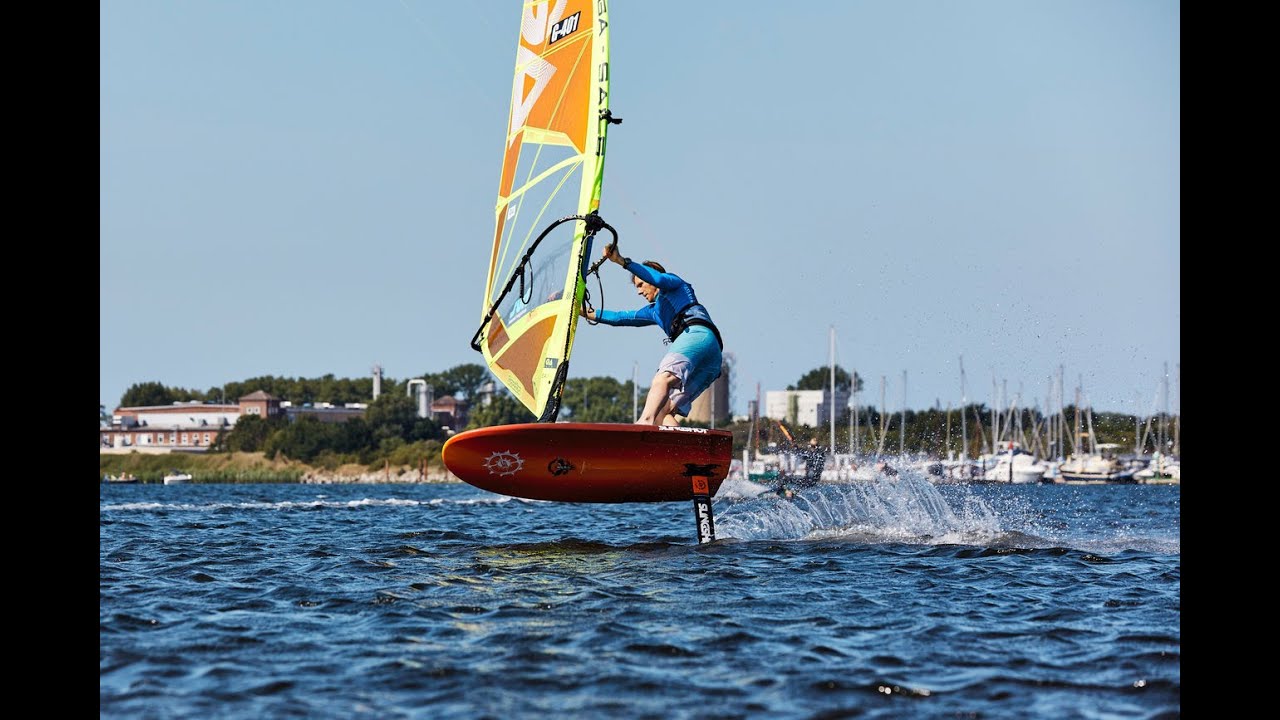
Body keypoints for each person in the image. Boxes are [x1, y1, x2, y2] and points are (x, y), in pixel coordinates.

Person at [580, 244, 723, 426]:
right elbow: (618, 317)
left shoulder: (673, 284)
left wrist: (622, 261)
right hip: (712, 359)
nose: (639, 291)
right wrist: (581, 311)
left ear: (651, 280)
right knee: (663, 411)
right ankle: (686, 452)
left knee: (661, 378)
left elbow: (657, 278)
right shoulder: (654, 311)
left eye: (640, 284)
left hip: (697, 334)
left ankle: (643, 423)